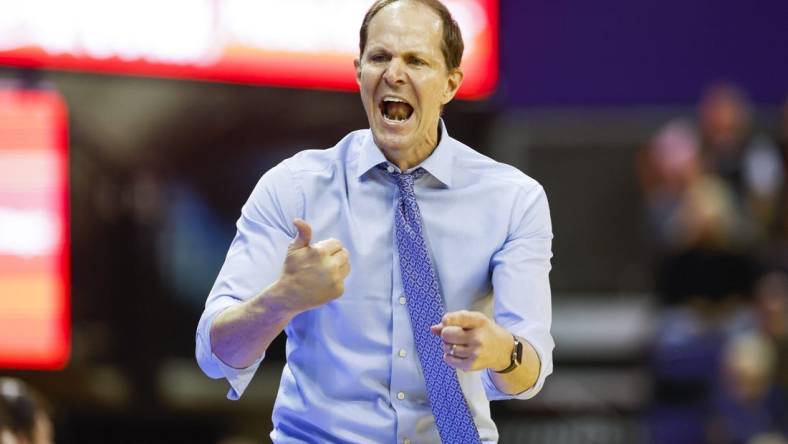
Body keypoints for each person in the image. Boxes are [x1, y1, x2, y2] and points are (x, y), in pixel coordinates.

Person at [195, 0, 554, 442]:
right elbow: (215, 355)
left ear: (450, 84)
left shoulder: (513, 200)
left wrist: (502, 351)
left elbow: (529, 374)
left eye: (416, 60)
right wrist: (282, 299)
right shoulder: (294, 188)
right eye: (379, 57)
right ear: (359, 72)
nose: (394, 74)